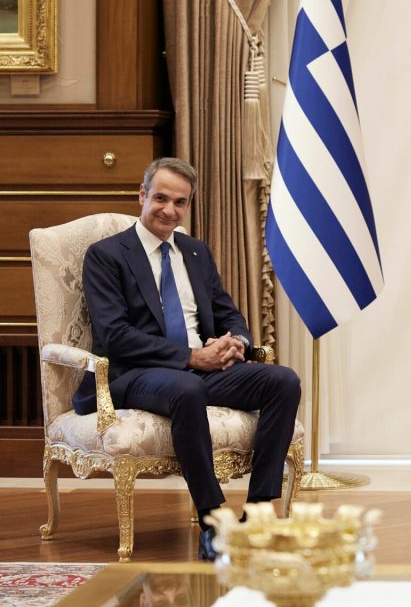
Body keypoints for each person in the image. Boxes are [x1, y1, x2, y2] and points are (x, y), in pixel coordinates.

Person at [75, 157, 301, 562]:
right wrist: (193, 357)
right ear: (142, 195)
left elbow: (229, 313)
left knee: (283, 381)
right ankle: (213, 520)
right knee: (187, 386)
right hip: (138, 372)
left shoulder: (195, 252)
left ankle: (258, 514)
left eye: (180, 202)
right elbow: (115, 335)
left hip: (201, 369)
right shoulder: (106, 255)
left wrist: (235, 342)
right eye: (161, 198)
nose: (169, 210)